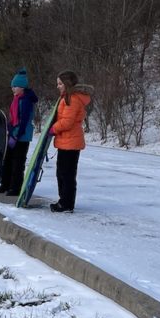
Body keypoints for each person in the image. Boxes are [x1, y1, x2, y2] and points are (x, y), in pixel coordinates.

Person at [48, 71, 94, 212]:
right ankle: (64, 201)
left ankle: (66, 203)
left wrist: (53, 129)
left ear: (67, 84)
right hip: (66, 142)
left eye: (60, 84)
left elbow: (67, 122)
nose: (58, 86)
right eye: (57, 84)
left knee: (66, 174)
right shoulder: (67, 98)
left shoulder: (72, 100)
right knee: (62, 173)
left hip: (70, 143)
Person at [0, 67, 38, 197]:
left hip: (22, 136)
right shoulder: (17, 99)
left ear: (22, 87)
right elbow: (13, 118)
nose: (13, 89)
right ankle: (5, 184)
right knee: (7, 160)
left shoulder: (26, 101)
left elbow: (24, 120)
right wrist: (8, 128)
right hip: (13, 135)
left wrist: (16, 134)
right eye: (12, 87)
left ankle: (15, 188)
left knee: (18, 162)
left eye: (15, 86)